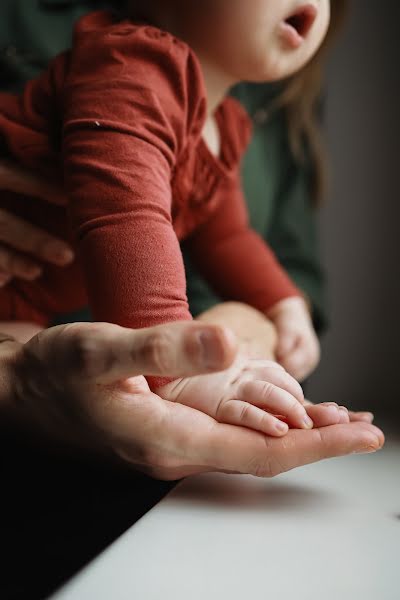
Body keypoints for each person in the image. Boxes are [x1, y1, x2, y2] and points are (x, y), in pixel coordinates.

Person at [0, 1, 340, 437]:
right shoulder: (130, 66)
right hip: (11, 289)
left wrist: (283, 303)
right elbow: (125, 216)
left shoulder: (221, 122)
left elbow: (226, 237)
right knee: (67, 395)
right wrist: (175, 369)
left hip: (31, 307)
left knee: (77, 388)